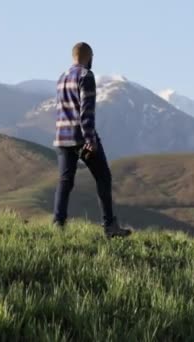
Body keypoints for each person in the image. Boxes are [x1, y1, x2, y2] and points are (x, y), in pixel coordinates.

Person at [52, 42, 131, 238]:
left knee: (64, 182)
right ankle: (109, 226)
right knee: (103, 177)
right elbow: (86, 111)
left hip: (62, 137)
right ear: (89, 57)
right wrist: (90, 138)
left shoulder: (61, 77)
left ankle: (57, 224)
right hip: (81, 137)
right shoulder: (86, 76)